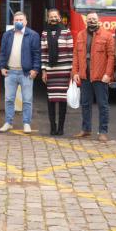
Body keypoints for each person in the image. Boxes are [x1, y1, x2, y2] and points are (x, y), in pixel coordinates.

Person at [71, 12, 115, 141]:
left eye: (94, 19)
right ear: (86, 21)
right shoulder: (80, 35)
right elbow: (75, 56)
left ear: (98, 20)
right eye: (89, 19)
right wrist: (75, 72)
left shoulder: (107, 36)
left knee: (103, 104)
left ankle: (103, 131)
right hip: (85, 75)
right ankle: (86, 130)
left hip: (100, 76)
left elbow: (111, 57)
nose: (91, 21)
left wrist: (108, 74)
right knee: (85, 104)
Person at [0, 11, 41, 134]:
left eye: (21, 20)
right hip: (10, 72)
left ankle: (26, 124)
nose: (18, 22)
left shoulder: (33, 35)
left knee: (27, 100)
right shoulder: (7, 35)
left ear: (26, 22)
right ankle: (8, 122)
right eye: (16, 20)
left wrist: (35, 69)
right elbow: (2, 53)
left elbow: (37, 54)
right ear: (13, 22)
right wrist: (2, 67)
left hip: (26, 73)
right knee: (9, 99)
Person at [40, 8, 73, 136]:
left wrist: (71, 70)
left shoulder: (66, 32)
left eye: (55, 16)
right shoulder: (44, 34)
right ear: (48, 18)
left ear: (59, 18)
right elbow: (43, 53)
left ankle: (61, 127)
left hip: (64, 71)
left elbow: (71, 51)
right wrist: (43, 71)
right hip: (51, 72)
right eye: (51, 16)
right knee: (51, 100)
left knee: (63, 100)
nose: (53, 18)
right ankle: (52, 127)